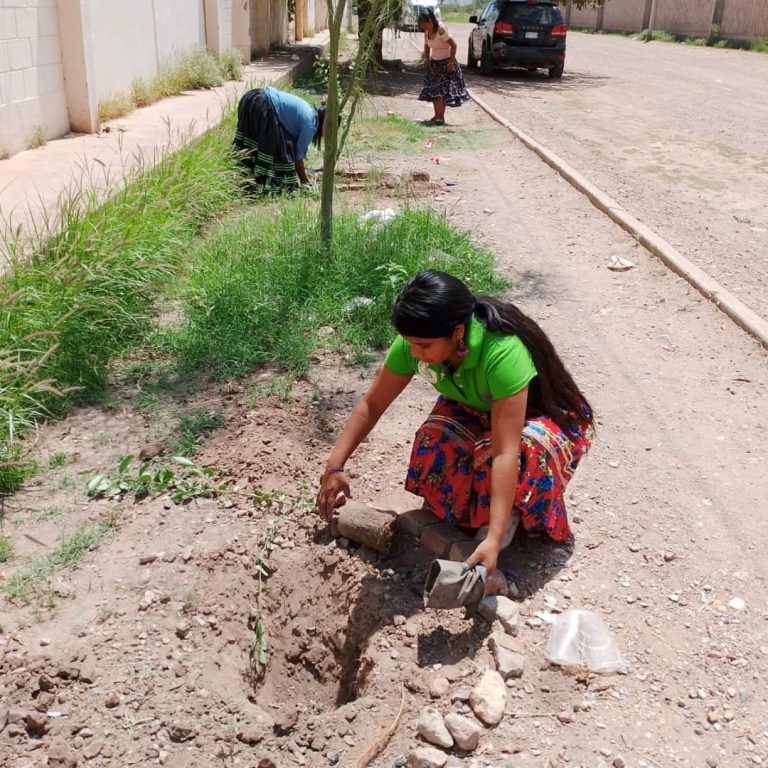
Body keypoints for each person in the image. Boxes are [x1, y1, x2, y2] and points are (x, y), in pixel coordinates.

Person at [316, 270, 594, 582]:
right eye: (410, 344)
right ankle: (458, 513)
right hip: (480, 409)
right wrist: (334, 466)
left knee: (518, 449)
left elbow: (505, 452)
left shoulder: (502, 353)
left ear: (458, 333)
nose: (415, 353)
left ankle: (505, 520)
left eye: (423, 346)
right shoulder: (416, 342)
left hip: (540, 420)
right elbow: (373, 404)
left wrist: (493, 540)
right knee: (437, 434)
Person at [233, 86, 327, 189]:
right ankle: (255, 183)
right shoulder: (310, 125)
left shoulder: (310, 114)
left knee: (252, 147)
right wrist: (305, 182)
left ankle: (241, 176)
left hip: (253, 99)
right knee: (280, 161)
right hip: (264, 106)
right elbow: (298, 158)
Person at [417, 8, 469, 125]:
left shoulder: (441, 29)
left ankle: (440, 118)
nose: (423, 27)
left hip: (446, 63)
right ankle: (437, 116)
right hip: (434, 63)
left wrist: (450, 63)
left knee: (441, 91)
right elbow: (427, 46)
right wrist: (429, 63)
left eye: (424, 24)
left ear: (430, 21)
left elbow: (453, 45)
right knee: (433, 90)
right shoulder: (427, 31)